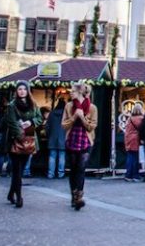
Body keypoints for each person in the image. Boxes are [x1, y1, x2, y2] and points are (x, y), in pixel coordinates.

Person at [5, 81, 42, 208]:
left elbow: (39, 118)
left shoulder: (33, 104)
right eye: (19, 89)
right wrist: (20, 133)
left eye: (24, 89)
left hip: (30, 140)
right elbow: (11, 122)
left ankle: (11, 193)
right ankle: (19, 197)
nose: (22, 91)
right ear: (16, 91)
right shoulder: (12, 105)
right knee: (17, 170)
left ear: (27, 91)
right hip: (16, 141)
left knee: (20, 170)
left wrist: (31, 122)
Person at [62, 82, 97, 210]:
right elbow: (64, 125)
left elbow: (92, 126)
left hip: (85, 140)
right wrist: (74, 117)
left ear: (80, 92)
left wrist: (82, 118)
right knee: (73, 169)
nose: (70, 92)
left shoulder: (92, 108)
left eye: (73, 91)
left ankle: (79, 197)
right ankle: (73, 195)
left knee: (81, 169)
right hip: (72, 139)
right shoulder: (69, 106)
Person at [46, 99, 67, 179]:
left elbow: (47, 126)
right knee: (62, 156)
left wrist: (49, 135)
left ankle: (50, 173)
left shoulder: (51, 114)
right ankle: (60, 173)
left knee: (52, 156)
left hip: (52, 138)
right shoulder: (66, 114)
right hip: (63, 138)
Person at [123, 104, 144, 181]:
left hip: (128, 138)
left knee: (130, 157)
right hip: (136, 139)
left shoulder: (130, 118)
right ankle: (135, 175)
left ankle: (128, 175)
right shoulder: (141, 118)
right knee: (135, 158)